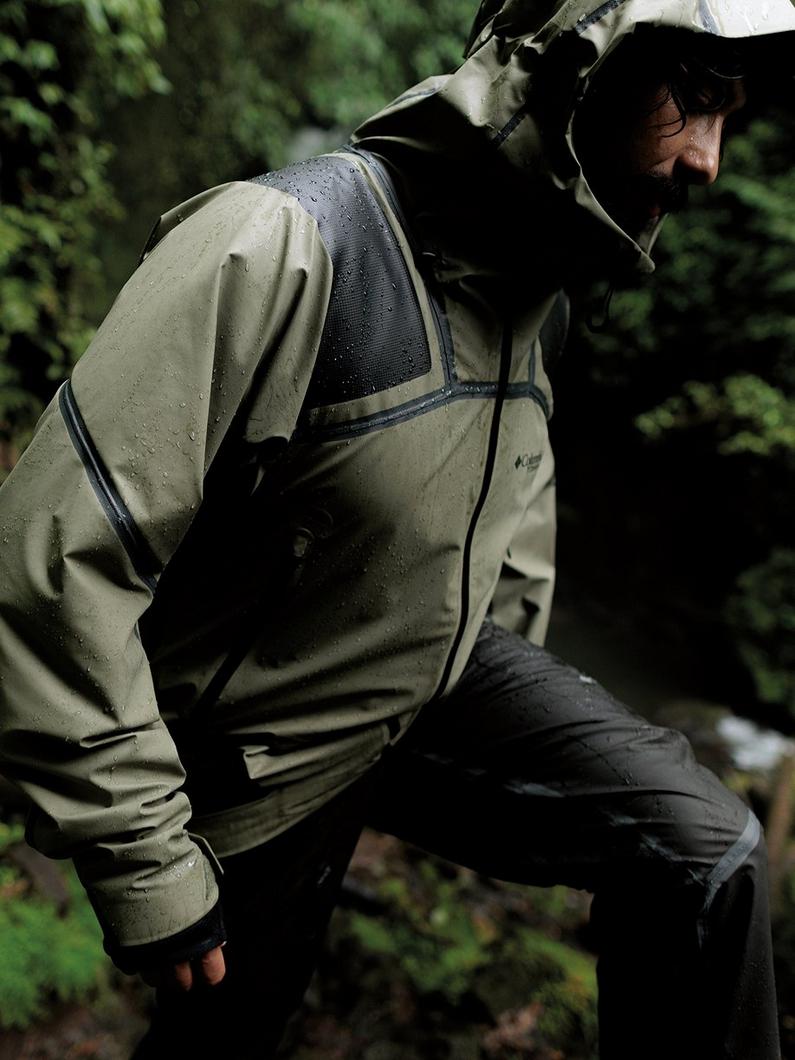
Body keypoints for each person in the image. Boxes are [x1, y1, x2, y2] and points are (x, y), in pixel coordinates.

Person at [0, 0, 793, 1056]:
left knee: (710, 852)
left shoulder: (534, 293)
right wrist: (147, 857)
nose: (708, 160)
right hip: (248, 775)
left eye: (729, 115)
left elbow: (509, 514)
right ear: (573, 72)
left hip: (420, 703)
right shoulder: (277, 243)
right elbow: (49, 559)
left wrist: (519, 684)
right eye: (692, 98)